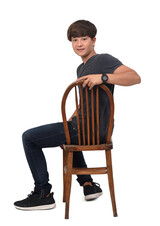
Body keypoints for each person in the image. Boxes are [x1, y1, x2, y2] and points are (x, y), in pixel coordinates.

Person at [14, 20, 141, 211]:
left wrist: (104, 77)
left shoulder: (103, 60)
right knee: (64, 133)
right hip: (86, 128)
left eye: (84, 38)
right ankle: (87, 184)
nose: (79, 43)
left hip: (92, 129)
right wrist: (72, 118)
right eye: (75, 40)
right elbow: (85, 103)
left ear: (94, 40)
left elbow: (135, 77)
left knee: (29, 138)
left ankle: (43, 193)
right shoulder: (80, 69)